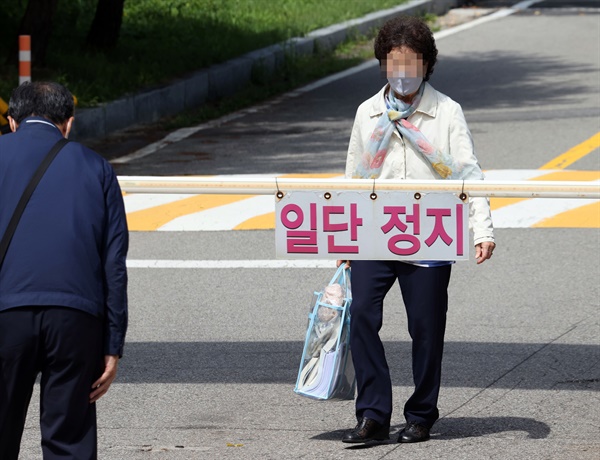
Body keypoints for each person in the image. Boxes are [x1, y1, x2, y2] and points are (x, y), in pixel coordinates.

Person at [339, 16, 495, 444]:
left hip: (429, 231)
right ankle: (372, 413)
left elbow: (469, 174)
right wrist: (344, 238)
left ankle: (422, 412)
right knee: (362, 317)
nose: (404, 73)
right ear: (383, 65)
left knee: (426, 325)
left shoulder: (446, 112)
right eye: (395, 64)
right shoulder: (367, 113)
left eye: (412, 64)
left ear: (427, 65)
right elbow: (353, 178)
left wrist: (482, 229)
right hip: (375, 229)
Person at [0, 81, 129, 459]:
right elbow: (113, 265)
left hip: (5, 312)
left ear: (11, 122)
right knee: (68, 441)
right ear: (68, 124)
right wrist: (112, 344)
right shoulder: (97, 168)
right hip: (76, 318)